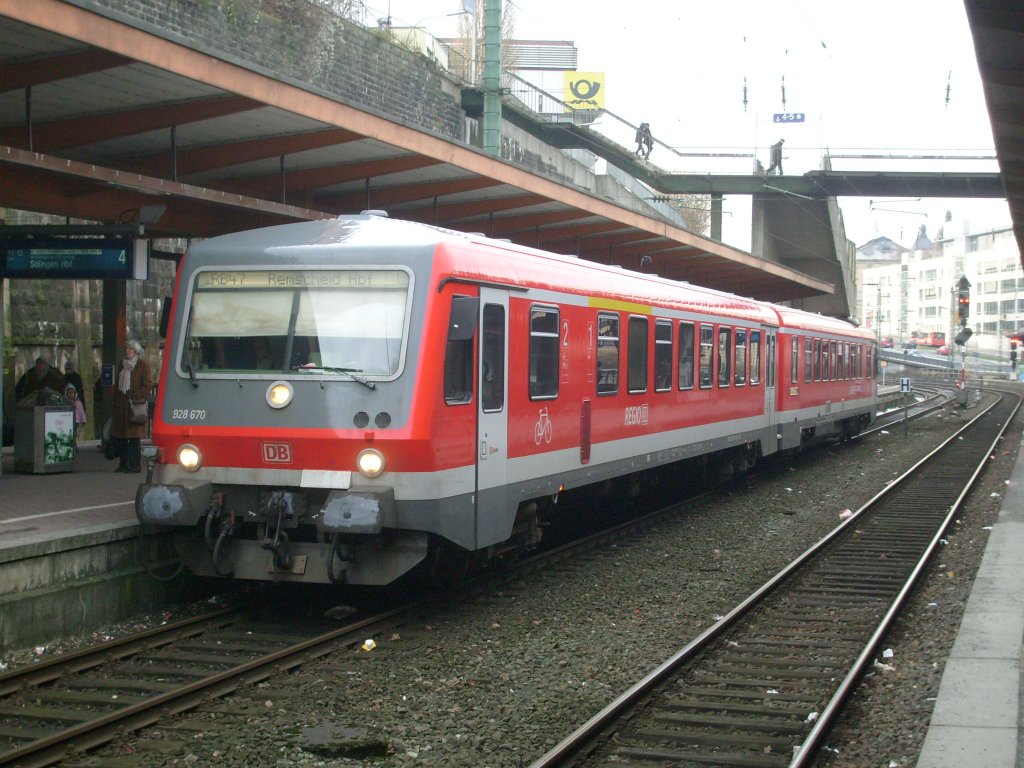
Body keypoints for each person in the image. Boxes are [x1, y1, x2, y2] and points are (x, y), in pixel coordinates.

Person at [110, 339, 154, 473]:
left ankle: (135, 465)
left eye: (130, 349)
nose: (127, 351)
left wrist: (136, 396)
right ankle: (123, 463)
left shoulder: (142, 366)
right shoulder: (121, 365)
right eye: (126, 349)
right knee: (121, 437)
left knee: (134, 439)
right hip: (121, 406)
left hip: (134, 406)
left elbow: (147, 385)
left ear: (136, 351)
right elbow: (118, 384)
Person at [64, 383, 87, 451]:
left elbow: (81, 412)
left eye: (72, 392)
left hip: (75, 421)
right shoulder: (64, 403)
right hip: (66, 421)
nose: (71, 394)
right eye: (69, 392)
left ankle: (74, 448)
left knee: (73, 435)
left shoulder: (78, 403)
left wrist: (83, 420)